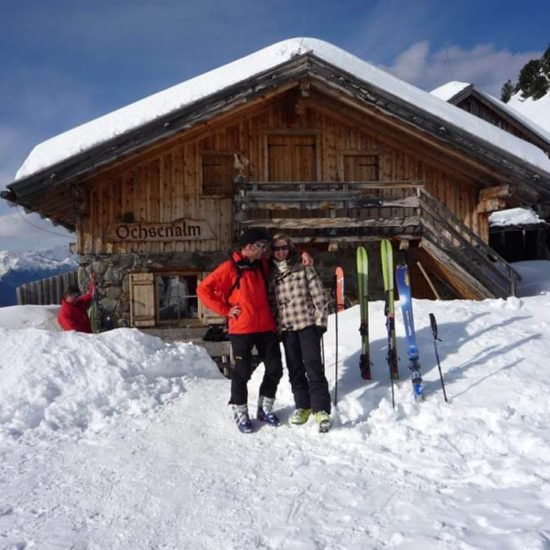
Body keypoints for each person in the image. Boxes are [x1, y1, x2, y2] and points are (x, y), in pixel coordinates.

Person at [197, 228, 284, 433]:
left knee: (275, 369)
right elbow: (203, 289)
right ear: (249, 246)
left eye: (266, 246)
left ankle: (264, 408)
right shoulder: (230, 267)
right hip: (242, 329)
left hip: (266, 327)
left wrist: (305, 254)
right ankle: (240, 411)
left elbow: (286, 254)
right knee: (242, 372)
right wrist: (226, 310)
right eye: (262, 246)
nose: (266, 250)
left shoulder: (262, 264)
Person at [268, 233, 332, 433]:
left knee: (313, 366)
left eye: (284, 248)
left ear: (290, 248)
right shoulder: (270, 274)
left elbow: (319, 295)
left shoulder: (303, 267)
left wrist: (320, 324)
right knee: (294, 368)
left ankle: (321, 409)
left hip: (307, 324)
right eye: (277, 249)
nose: (280, 252)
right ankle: (303, 406)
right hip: (287, 329)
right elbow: (271, 304)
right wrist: (277, 328)